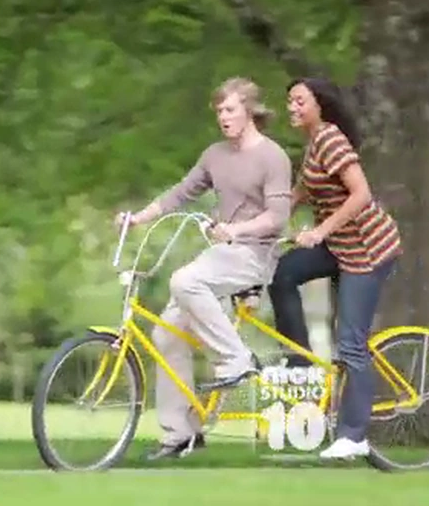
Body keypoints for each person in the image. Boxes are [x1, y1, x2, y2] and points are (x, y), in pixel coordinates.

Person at [117, 77, 292, 460]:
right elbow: (181, 193)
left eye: (230, 110)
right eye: (219, 112)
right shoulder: (215, 155)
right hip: (222, 255)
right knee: (167, 334)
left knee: (184, 280)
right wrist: (137, 219)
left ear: (249, 110)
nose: (223, 117)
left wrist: (237, 230)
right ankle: (181, 434)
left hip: (254, 255)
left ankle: (236, 359)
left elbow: (278, 217)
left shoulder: (273, 156)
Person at [268, 76, 402, 460]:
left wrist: (320, 231)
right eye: (289, 101)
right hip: (341, 248)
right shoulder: (314, 144)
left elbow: (361, 194)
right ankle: (300, 363)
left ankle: (353, 435)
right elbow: (298, 194)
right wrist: (256, 227)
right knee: (280, 274)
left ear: (320, 104)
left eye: (299, 101)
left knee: (351, 343)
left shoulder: (330, 139)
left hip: (368, 251)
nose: (292, 108)